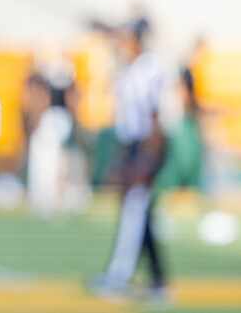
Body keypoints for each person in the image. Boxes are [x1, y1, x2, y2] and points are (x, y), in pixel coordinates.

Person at [89, 18, 169, 301]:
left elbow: (156, 118)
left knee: (134, 213)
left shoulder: (149, 69)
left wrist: (146, 160)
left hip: (146, 145)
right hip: (133, 144)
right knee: (140, 214)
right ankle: (158, 280)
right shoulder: (132, 69)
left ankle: (120, 275)